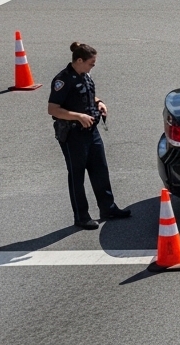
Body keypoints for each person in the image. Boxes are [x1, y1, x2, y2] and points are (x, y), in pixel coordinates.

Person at [47, 42, 131, 231]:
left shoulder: (85, 76)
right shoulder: (63, 80)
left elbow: (86, 95)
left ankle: (108, 208)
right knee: (77, 175)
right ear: (79, 60)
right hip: (73, 134)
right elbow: (53, 109)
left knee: (100, 169)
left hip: (91, 131)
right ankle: (81, 216)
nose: (93, 66)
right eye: (91, 63)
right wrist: (78, 116)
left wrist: (99, 102)